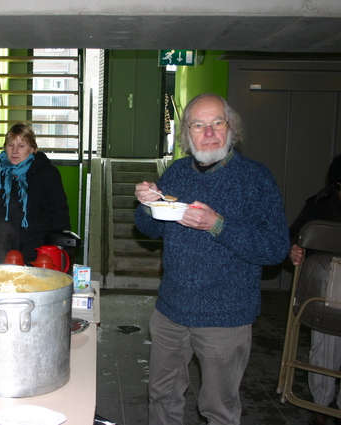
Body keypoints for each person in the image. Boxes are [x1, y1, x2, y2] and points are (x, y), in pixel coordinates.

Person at [134, 93, 290, 425]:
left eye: (217, 122)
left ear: (231, 128)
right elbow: (150, 229)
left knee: (218, 410)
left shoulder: (255, 179)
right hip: (171, 312)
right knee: (162, 397)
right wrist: (147, 203)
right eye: (198, 125)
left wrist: (218, 225)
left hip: (226, 318)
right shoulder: (176, 173)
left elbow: (276, 248)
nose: (208, 132)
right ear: (186, 135)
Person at [0, 123, 70, 268]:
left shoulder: (47, 173)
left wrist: (59, 255)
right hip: (3, 254)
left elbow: (59, 216)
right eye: (10, 145)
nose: (14, 151)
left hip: (39, 254)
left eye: (21, 146)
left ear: (32, 149)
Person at [288, 154, 341, 425]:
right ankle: (322, 406)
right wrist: (294, 249)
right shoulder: (318, 205)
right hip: (326, 290)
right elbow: (293, 233)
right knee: (325, 347)